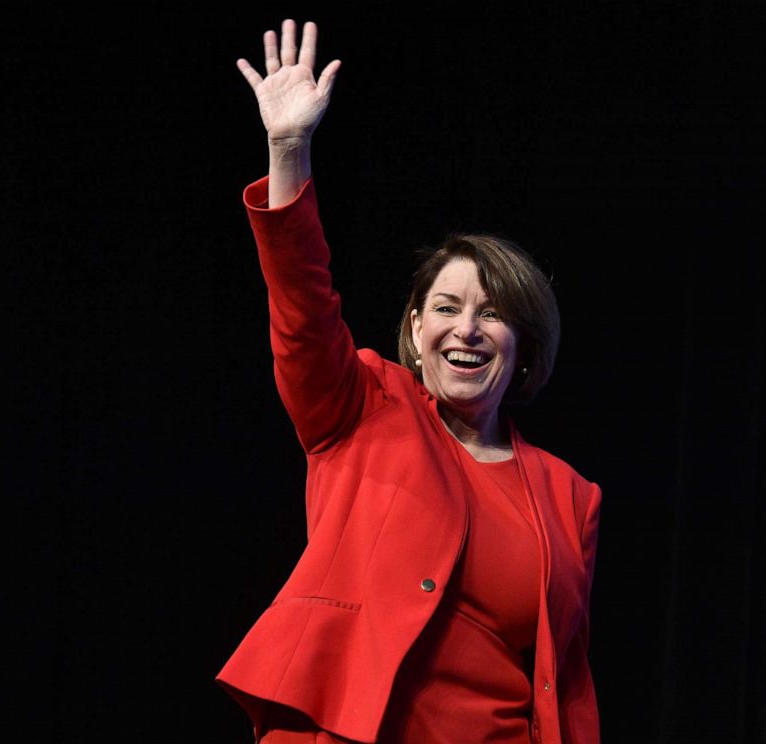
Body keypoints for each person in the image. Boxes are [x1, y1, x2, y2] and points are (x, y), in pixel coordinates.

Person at [216, 18, 602, 744]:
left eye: (493, 315)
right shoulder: (363, 404)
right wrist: (288, 149)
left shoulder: (570, 497)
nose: (467, 329)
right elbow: (302, 307)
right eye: (448, 308)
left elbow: (566, 681)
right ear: (416, 333)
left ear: (521, 350)